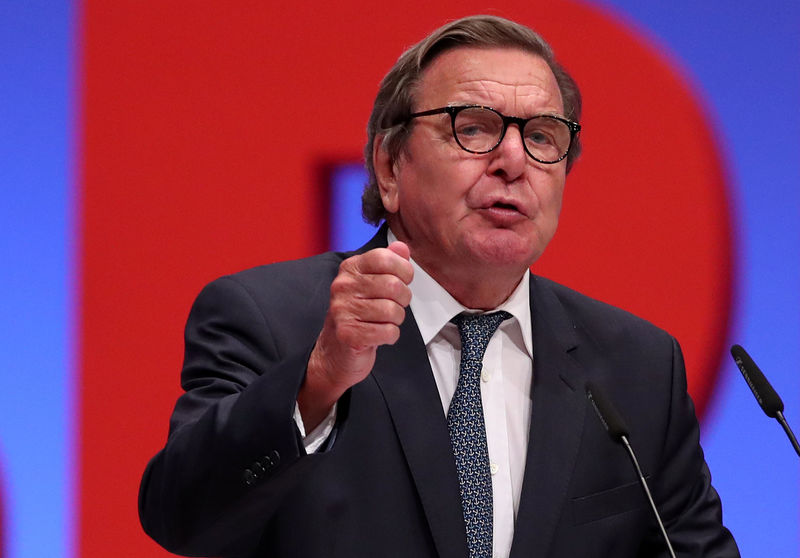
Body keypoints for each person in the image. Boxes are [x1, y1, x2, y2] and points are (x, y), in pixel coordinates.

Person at [139, 14, 739, 558]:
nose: (513, 159)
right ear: (389, 166)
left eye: (543, 137)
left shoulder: (636, 363)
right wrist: (318, 379)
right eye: (472, 129)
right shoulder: (272, 319)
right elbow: (183, 519)